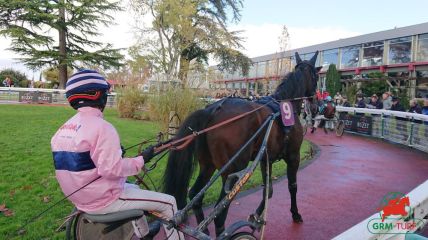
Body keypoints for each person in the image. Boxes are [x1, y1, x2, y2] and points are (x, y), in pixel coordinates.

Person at [51, 69, 183, 240]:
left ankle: (145, 234)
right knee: (170, 203)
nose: (107, 96)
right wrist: (142, 159)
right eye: (105, 92)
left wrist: (118, 153)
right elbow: (111, 170)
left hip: (80, 198)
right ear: (96, 94)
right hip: (103, 200)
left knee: (134, 188)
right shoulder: (103, 127)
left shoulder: (62, 129)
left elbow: (89, 162)